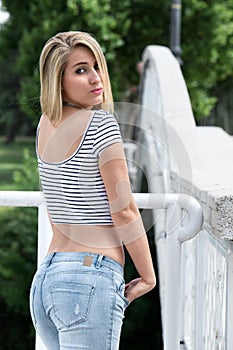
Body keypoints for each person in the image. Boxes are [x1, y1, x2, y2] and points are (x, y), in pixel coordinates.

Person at [29, 31, 156, 350]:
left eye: (96, 66)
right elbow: (124, 208)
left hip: (47, 279)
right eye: (81, 70)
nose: (96, 78)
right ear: (58, 80)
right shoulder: (101, 125)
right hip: (88, 280)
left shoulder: (46, 124)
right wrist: (148, 275)